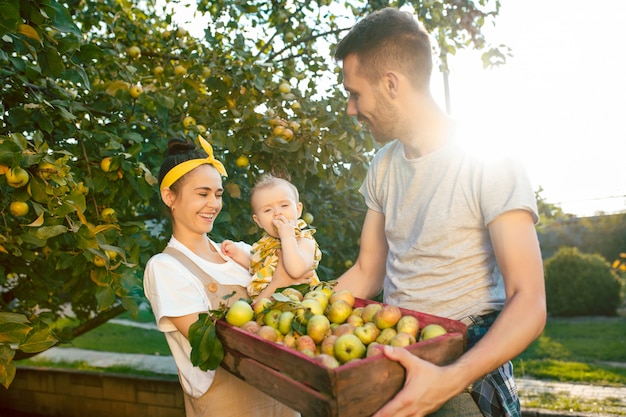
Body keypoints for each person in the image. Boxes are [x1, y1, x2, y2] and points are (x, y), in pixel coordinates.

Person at [332, 8, 546, 417]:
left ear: (391, 84)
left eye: (355, 93)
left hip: (465, 364)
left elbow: (529, 301)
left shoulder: (491, 159)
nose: (351, 109)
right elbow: (367, 272)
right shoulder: (382, 165)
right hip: (394, 351)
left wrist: (448, 381)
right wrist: (297, 307)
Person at [143, 137, 301, 417]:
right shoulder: (166, 268)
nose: (213, 204)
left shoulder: (238, 252)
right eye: (202, 194)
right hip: (229, 407)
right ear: (170, 197)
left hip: (284, 401)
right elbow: (210, 344)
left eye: (217, 194)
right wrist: (277, 283)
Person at [221, 174, 322, 299]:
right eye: (267, 210)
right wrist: (238, 254)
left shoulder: (304, 241)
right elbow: (259, 268)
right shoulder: (265, 245)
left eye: (284, 205)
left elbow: (296, 270)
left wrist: (287, 237)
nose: (277, 213)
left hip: (298, 305)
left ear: (298, 210)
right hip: (266, 305)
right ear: (258, 221)